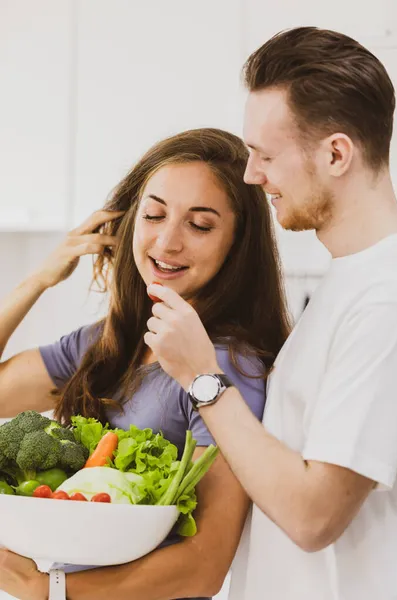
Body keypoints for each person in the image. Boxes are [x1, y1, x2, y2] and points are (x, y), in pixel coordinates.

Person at [140, 27, 397, 600]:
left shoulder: (385, 301)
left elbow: (314, 516)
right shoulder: (349, 282)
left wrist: (203, 379)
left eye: (266, 154)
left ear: (336, 154)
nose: (253, 175)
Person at [0, 128, 290, 600]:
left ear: (237, 244)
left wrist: (50, 590)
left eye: (200, 225)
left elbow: (204, 564)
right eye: (154, 215)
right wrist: (39, 280)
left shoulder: (223, 370)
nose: (167, 241)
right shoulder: (109, 343)